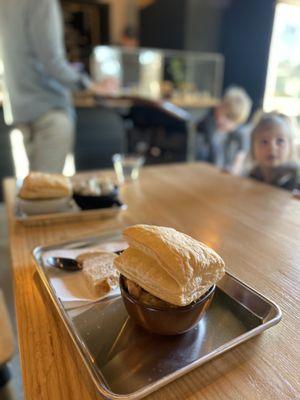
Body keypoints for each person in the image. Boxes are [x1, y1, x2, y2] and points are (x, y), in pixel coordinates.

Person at [0, 0, 116, 173]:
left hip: (18, 111)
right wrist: (91, 85)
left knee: (31, 188)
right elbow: (53, 62)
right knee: (47, 193)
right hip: (50, 111)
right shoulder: (42, 3)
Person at [196, 86, 252, 173]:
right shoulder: (207, 123)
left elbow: (243, 147)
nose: (223, 120)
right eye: (224, 114)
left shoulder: (238, 131)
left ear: (237, 123)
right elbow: (211, 153)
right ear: (219, 106)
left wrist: (236, 167)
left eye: (230, 119)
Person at [248, 112, 300, 191]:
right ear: (253, 147)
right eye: (264, 141)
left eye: (280, 141)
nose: (272, 147)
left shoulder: (297, 178)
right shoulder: (253, 175)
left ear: (291, 146)